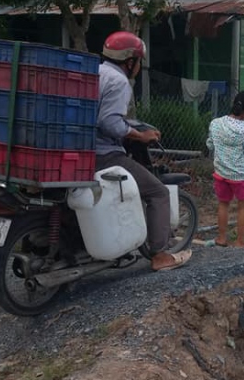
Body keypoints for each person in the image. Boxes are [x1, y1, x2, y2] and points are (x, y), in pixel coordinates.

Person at [96, 31, 191, 271]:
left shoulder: (96, 72)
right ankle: (159, 255)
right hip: (105, 154)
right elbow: (110, 123)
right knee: (157, 192)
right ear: (130, 61)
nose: (139, 66)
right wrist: (141, 135)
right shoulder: (119, 81)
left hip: (84, 152)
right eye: (139, 61)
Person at [206, 91, 244, 248]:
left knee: (223, 204)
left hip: (221, 173)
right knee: (243, 207)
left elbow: (209, 144)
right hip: (240, 176)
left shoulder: (215, 123)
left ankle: (221, 238)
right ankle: (240, 241)